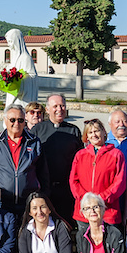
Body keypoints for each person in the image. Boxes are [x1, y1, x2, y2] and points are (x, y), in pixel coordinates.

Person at [0, 105, 46, 221]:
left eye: (20, 120)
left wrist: (43, 197)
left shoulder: (34, 142)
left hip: (29, 202)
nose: (17, 123)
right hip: (2, 203)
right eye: (12, 120)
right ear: (5, 120)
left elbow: (43, 174)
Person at [33, 94, 82, 225]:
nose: (59, 109)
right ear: (47, 109)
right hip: (44, 188)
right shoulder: (38, 130)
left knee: (66, 225)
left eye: (62, 106)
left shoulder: (74, 130)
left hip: (67, 189)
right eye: (55, 106)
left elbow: (80, 161)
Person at [70, 119, 127, 225]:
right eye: (90, 132)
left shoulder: (116, 154)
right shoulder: (80, 155)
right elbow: (73, 180)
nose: (94, 135)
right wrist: (86, 200)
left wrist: (100, 199)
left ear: (104, 132)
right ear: (87, 136)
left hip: (107, 212)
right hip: (84, 211)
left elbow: (119, 182)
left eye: (96, 131)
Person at [3, 28, 39, 108]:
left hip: (23, 98)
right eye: (8, 42)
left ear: (16, 41)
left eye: (10, 41)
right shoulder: (14, 58)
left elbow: (32, 77)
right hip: (13, 95)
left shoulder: (25, 58)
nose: (9, 45)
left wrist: (18, 79)